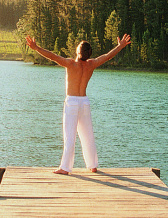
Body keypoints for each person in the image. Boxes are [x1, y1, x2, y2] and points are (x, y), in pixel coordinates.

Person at [24, 33, 131, 174]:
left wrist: (36, 48)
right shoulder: (92, 64)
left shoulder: (70, 64)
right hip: (84, 102)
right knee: (88, 135)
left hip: (72, 102)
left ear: (77, 51)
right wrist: (120, 46)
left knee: (70, 135)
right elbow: (107, 56)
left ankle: (65, 168)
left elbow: (53, 56)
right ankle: (92, 165)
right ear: (88, 54)